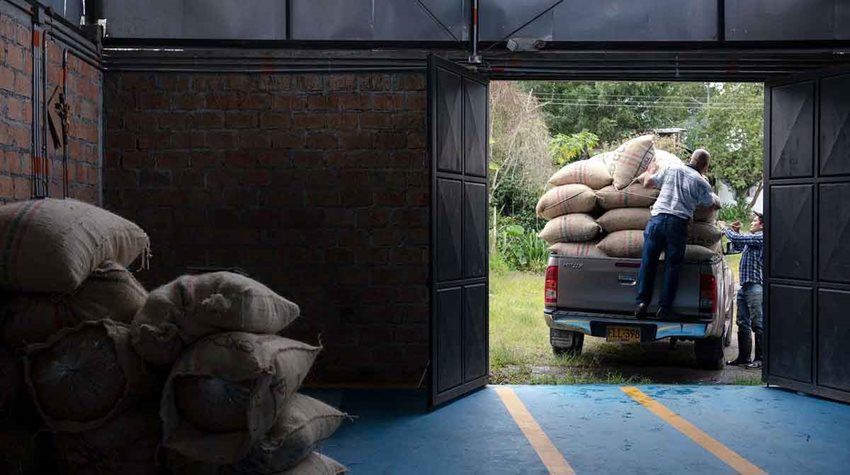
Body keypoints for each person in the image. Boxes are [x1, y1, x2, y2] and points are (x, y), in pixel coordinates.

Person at [634, 149, 718, 320]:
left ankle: (642, 303)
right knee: (672, 267)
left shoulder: (671, 168)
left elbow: (648, 183)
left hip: (656, 222)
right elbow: (710, 205)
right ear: (705, 166)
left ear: (690, 159)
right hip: (677, 225)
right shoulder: (702, 183)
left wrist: (650, 171)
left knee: (648, 262)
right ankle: (664, 308)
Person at [723, 213, 765, 368]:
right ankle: (744, 357)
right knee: (742, 322)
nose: (751, 223)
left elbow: (738, 240)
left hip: (756, 286)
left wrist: (726, 229)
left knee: (758, 322)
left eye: (754, 221)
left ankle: (760, 359)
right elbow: (738, 246)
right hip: (745, 285)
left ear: (762, 225)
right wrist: (736, 232)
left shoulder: (762, 237)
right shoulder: (752, 238)